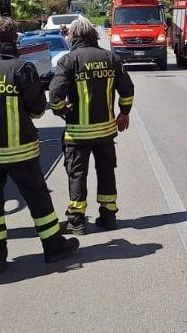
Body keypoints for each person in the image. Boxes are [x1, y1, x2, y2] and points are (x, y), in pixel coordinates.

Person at [0, 17, 80, 274]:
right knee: (38, 200)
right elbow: (38, 111)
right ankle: (52, 246)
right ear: (15, 38)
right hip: (20, 150)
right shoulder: (22, 68)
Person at [48, 16, 134, 234]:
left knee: (77, 175)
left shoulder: (68, 60)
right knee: (106, 172)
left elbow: (55, 97)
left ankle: (77, 222)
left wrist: (63, 111)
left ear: (74, 36)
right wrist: (124, 113)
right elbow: (127, 90)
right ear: (93, 35)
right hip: (105, 131)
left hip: (77, 133)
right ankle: (108, 216)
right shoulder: (111, 58)